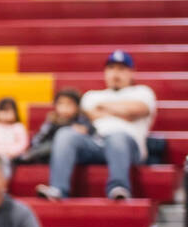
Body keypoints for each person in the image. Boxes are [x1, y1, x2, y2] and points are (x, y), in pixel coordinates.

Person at [37, 51, 157, 201]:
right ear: (105, 72)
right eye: (112, 68)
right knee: (65, 134)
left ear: (131, 72)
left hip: (127, 146)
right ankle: (58, 189)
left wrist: (103, 107)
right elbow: (89, 115)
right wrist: (122, 111)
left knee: (116, 136)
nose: (116, 73)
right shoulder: (92, 95)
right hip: (94, 143)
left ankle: (118, 188)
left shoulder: (142, 92)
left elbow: (138, 110)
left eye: (121, 69)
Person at [17, 88, 92, 165]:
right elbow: (38, 138)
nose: (64, 108)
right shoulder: (52, 121)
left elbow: (90, 135)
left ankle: (30, 155)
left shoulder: (82, 120)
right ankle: (31, 155)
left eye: (69, 104)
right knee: (51, 145)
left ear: (77, 107)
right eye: (60, 104)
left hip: (74, 153)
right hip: (49, 151)